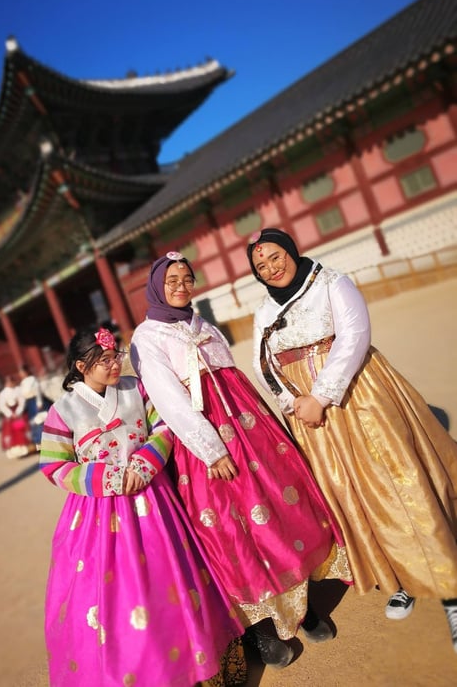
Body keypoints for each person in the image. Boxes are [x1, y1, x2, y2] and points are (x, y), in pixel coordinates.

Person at [130, 252, 352, 669]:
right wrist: (210, 449)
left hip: (251, 430)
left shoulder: (204, 326)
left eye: (186, 278)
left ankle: (302, 609)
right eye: (171, 279)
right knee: (234, 529)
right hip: (205, 445)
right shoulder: (147, 337)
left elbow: (234, 379)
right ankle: (263, 630)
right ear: (157, 287)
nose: (180, 285)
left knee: (281, 508)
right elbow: (168, 397)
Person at [247, 226, 457, 653]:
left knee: (397, 480)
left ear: (290, 249)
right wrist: (294, 402)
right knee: (350, 494)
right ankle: (400, 575)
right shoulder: (263, 313)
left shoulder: (331, 282)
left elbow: (355, 335)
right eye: (260, 264)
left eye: (275, 255)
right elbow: (262, 362)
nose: (271, 267)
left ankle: (448, 582)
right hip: (309, 415)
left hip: (357, 395)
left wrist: (322, 395)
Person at [39, 327, 246, 687]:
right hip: (98, 512)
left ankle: (200, 663)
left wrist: (144, 464)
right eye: (103, 361)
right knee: (113, 600)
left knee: (174, 581)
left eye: (115, 356)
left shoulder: (136, 388)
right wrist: (107, 479)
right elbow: (54, 465)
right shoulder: (64, 410)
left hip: (152, 498)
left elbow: (163, 428)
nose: (114, 364)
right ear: (80, 366)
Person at [0, 374, 33, 459]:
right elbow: (2, 406)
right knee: (11, 433)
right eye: (8, 382)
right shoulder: (3, 393)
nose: (10, 383)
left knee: (24, 429)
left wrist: (18, 412)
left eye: (11, 381)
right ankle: (16, 452)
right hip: (10, 415)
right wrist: (10, 414)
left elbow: (22, 401)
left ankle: (29, 448)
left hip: (19, 412)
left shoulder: (18, 390)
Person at [18, 364, 51, 447]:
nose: (21, 374)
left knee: (41, 420)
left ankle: (49, 441)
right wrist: (20, 409)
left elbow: (37, 391)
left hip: (35, 402)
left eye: (22, 372)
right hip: (29, 404)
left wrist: (39, 402)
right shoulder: (22, 383)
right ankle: (40, 443)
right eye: (20, 373)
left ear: (26, 372)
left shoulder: (32, 379)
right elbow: (22, 397)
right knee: (34, 423)